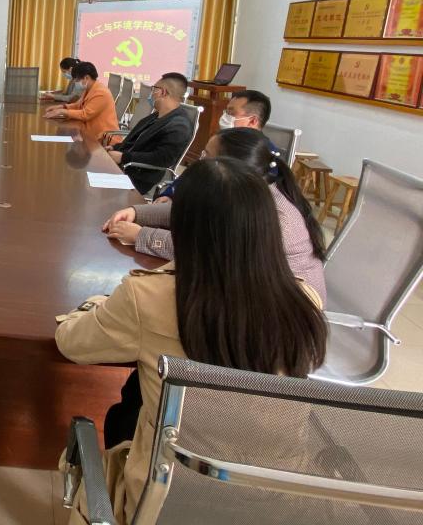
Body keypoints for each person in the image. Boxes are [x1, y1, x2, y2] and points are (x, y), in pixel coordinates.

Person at [56, 157, 327, 525]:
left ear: (184, 227)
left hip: (164, 500)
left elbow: (72, 343)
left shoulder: (150, 297)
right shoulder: (304, 299)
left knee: (128, 407)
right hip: (275, 501)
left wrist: (96, 304)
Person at [104, 127, 327, 302]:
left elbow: (205, 250)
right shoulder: (243, 189)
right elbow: (192, 209)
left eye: (207, 156)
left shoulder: (268, 215)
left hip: (277, 318)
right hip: (243, 294)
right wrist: (138, 212)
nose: (199, 161)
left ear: (230, 168)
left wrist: (140, 235)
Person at [107, 72, 193, 194]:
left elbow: (162, 158)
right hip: (125, 167)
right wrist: (116, 147)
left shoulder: (179, 126)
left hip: (139, 177)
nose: (151, 93)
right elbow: (135, 141)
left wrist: (123, 157)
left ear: (163, 92)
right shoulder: (157, 116)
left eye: (154, 89)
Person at [43, 61, 119, 137]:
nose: (75, 82)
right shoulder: (89, 89)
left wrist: (62, 111)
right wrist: (62, 107)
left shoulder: (101, 92)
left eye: (77, 80)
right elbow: (78, 105)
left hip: (105, 138)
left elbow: (85, 114)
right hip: (91, 133)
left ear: (86, 78)